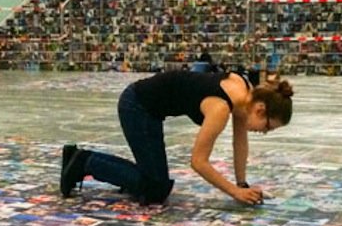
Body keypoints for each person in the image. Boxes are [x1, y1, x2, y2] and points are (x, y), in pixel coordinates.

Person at [60, 69, 293, 205]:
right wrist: (234, 191)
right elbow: (198, 162)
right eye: (268, 127)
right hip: (137, 106)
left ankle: (80, 158)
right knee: (155, 189)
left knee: (152, 179)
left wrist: (243, 185)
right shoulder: (220, 108)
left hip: (150, 108)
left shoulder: (244, 92)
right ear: (261, 109)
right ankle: (84, 161)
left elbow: (239, 142)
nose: (263, 132)